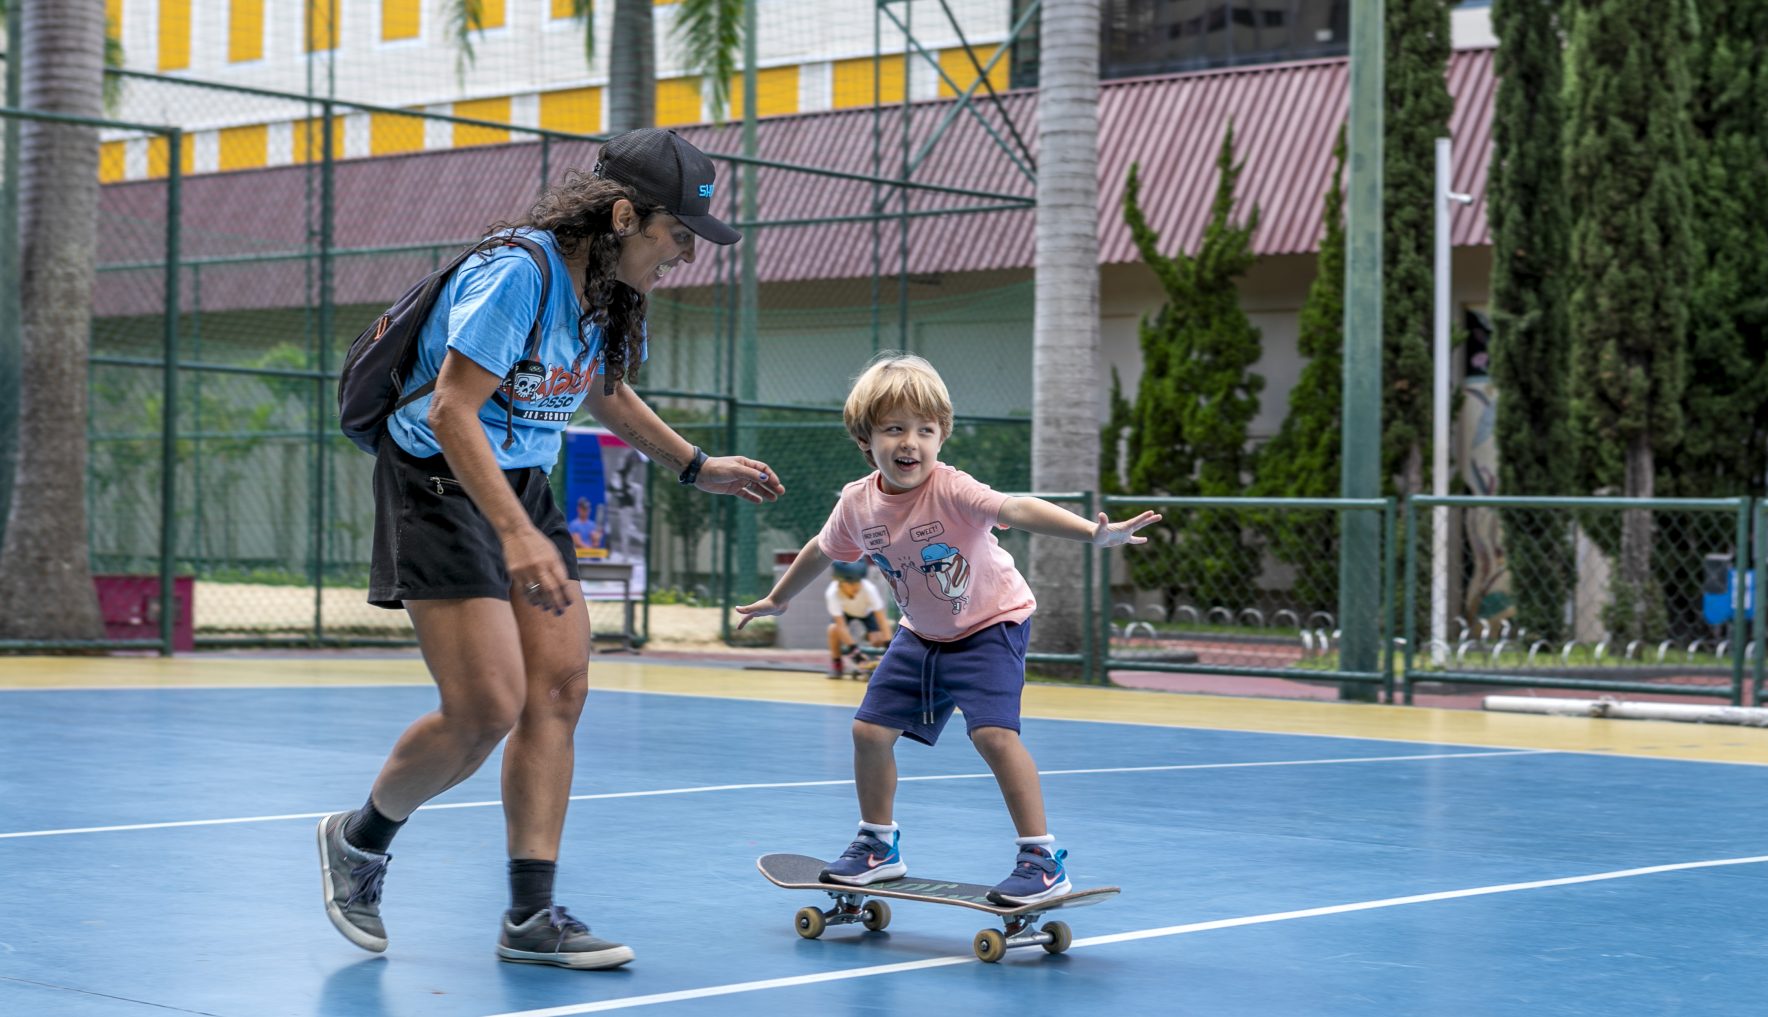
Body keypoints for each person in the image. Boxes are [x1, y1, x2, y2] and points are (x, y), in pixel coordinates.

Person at [318, 128, 784, 969]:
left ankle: (530, 917)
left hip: (519, 484)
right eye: (677, 234)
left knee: (560, 691)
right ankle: (359, 839)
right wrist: (515, 534)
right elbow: (451, 410)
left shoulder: (602, 291)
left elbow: (604, 391)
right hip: (438, 482)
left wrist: (696, 465)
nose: (685, 254)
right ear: (622, 216)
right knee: (485, 708)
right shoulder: (518, 273)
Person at [734, 353, 1159, 905]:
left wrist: (1092, 533)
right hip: (922, 634)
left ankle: (1041, 859)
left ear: (941, 437)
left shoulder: (952, 489)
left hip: (991, 625)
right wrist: (779, 598)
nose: (910, 442)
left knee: (993, 735)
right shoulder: (857, 503)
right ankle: (878, 845)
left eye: (925, 430)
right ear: (865, 439)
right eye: (894, 429)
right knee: (868, 732)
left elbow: (1017, 508)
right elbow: (822, 548)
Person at [824, 559, 892, 677]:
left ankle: (871, 656)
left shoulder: (869, 589)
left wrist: (889, 647)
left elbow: (882, 620)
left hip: (866, 613)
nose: (856, 586)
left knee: (877, 639)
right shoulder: (832, 593)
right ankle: (837, 663)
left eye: (858, 582)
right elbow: (841, 627)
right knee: (833, 629)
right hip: (845, 612)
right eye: (851, 583)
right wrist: (855, 654)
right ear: (839, 582)